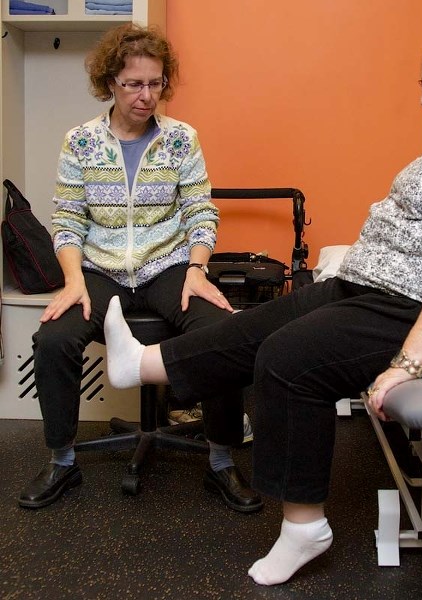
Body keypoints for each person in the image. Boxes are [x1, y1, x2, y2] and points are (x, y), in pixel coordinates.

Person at [103, 24, 422, 585]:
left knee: (291, 359)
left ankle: (304, 527)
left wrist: (407, 365)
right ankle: (144, 364)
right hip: (393, 292)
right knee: (262, 322)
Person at [19, 23, 263, 515]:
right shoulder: (81, 142)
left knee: (223, 332)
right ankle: (62, 461)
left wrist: (197, 268)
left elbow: (200, 210)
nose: (147, 95)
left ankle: (220, 460)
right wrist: (72, 279)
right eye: (134, 84)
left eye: (155, 83)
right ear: (110, 82)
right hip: (100, 269)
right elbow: (67, 219)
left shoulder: (180, 140)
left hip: (166, 266)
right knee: (52, 339)